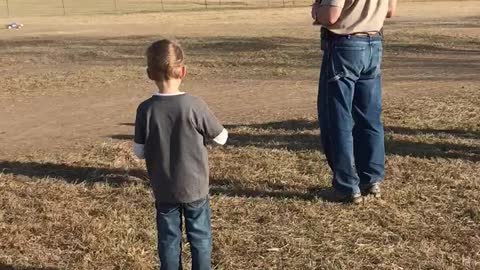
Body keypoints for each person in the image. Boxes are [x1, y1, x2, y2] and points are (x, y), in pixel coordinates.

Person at [133, 39, 228, 270]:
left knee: (168, 239)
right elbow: (221, 137)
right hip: (195, 187)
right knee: (201, 237)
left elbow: (139, 152)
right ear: (183, 71)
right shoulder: (194, 105)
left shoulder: (145, 109)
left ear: (149, 73)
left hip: (164, 189)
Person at [311, 0, 397, 204]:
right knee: (369, 117)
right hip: (374, 43)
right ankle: (371, 180)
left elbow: (331, 15)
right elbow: (391, 11)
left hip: (345, 45)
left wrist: (316, 11)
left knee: (337, 117)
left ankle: (346, 187)